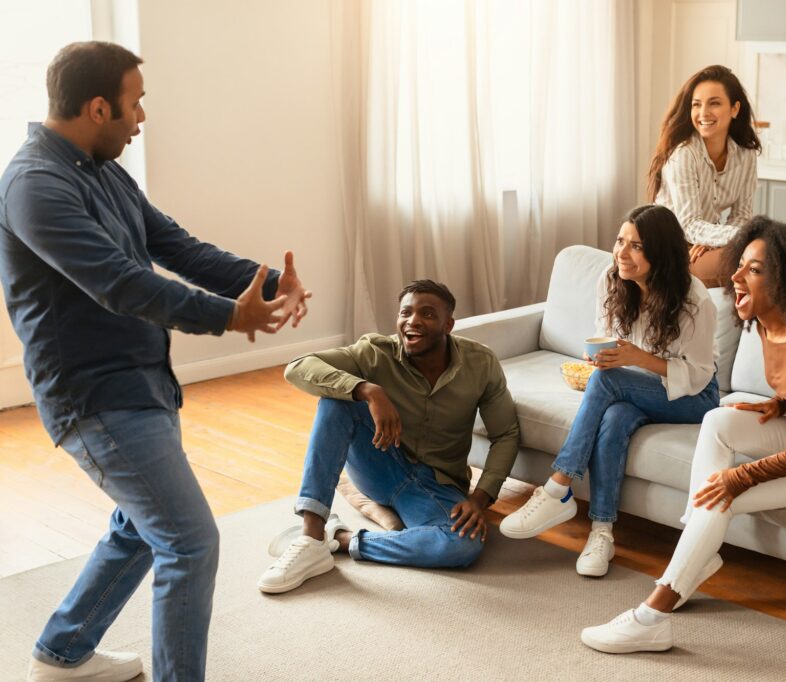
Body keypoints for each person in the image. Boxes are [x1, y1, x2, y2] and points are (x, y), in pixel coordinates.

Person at [0, 42, 312, 681]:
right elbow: (119, 282)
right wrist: (231, 316)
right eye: (134, 102)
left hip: (143, 382)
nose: (141, 117)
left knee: (143, 527)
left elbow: (178, 247)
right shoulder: (34, 185)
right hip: (94, 397)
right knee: (189, 541)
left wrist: (267, 284)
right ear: (97, 107)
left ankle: (62, 654)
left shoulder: (102, 170)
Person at [580, 216, 786, 653]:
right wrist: (781, 404)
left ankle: (653, 616)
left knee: (720, 495)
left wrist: (739, 477)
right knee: (718, 419)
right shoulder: (765, 323)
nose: (735, 276)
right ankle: (700, 550)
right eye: (739, 265)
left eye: (754, 270)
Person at [498, 204, 719, 577]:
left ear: (660, 254)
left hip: (693, 397)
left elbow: (697, 376)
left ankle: (559, 486)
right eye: (620, 241)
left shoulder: (695, 300)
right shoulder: (611, 278)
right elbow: (608, 337)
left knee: (608, 381)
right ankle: (601, 532)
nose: (621, 253)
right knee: (614, 419)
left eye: (636, 246)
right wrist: (597, 356)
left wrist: (638, 358)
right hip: (634, 387)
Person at [258, 279, 520, 593]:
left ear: (448, 324)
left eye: (427, 314)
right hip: (378, 466)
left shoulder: (481, 363)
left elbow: (506, 433)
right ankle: (312, 535)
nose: (413, 321)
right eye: (405, 313)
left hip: (436, 484)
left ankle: (340, 539)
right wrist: (368, 390)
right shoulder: (374, 352)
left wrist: (480, 498)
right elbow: (297, 368)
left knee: (463, 544)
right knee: (336, 401)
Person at [647, 64, 761, 288]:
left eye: (715, 103)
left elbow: (742, 214)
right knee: (749, 267)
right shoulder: (684, 154)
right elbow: (688, 224)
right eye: (696, 105)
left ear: (735, 109)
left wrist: (714, 242)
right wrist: (734, 238)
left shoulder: (746, 155)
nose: (703, 113)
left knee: (759, 264)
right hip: (670, 248)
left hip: (704, 244)